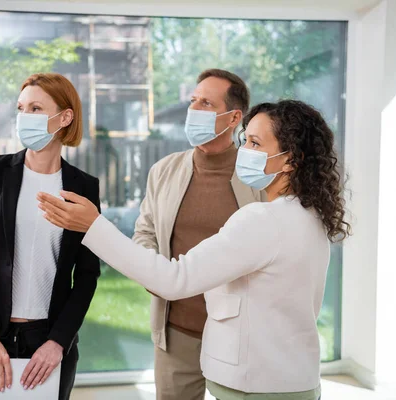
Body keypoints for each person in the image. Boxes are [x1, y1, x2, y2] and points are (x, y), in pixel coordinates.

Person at [38, 99, 351, 400]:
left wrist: (93, 225)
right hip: (291, 380)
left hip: (257, 386)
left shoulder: (264, 220)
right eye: (245, 140)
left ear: (292, 160)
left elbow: (174, 279)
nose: (243, 151)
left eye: (255, 143)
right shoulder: (309, 216)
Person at [0, 73, 101, 400]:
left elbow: (88, 275)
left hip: (47, 346)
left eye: (36, 108)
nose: (24, 117)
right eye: (21, 108)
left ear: (64, 117)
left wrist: (58, 342)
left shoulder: (84, 187)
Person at [133, 68, 263, 400]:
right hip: (177, 335)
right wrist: (152, 272)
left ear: (234, 117)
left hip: (241, 335)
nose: (193, 109)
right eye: (193, 100)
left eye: (206, 102)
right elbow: (145, 231)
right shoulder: (164, 170)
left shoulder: (258, 177)